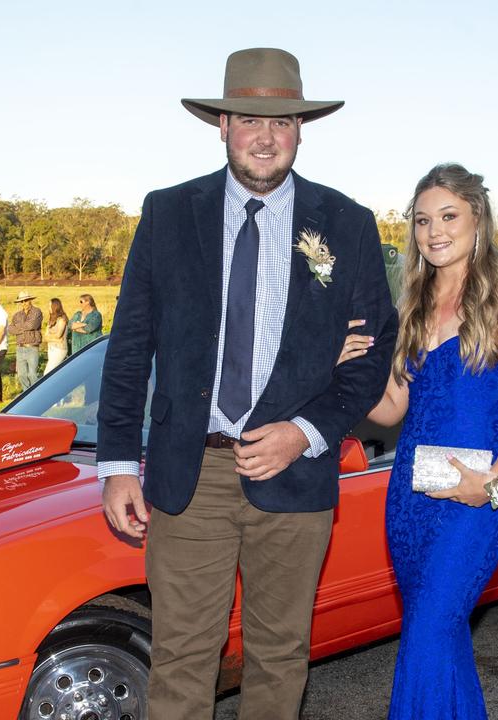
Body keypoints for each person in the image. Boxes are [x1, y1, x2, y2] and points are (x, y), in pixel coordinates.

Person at [96, 48, 397, 720]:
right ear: (223, 124)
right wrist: (117, 463)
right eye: (250, 120)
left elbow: (371, 354)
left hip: (295, 477)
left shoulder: (345, 223)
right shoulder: (169, 213)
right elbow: (128, 348)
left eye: (282, 122)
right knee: (181, 658)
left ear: (300, 130)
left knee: (279, 653)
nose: (266, 136)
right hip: (188, 474)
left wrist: (305, 432)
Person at [355, 164, 498, 719]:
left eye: (447, 216)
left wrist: (492, 485)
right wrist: (346, 374)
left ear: (477, 219)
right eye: (421, 221)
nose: (434, 231)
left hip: (477, 500)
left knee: (429, 632)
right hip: (410, 501)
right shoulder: (410, 306)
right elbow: (392, 408)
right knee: (439, 637)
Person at [7, 291, 44, 391]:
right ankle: (26, 393)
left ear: (30, 300)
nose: (24, 303)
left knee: (32, 374)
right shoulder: (17, 315)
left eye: (26, 300)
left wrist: (18, 327)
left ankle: (36, 393)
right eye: (22, 301)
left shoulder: (37, 312)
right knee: (21, 375)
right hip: (20, 347)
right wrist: (24, 327)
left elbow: (32, 325)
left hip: (32, 347)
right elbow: (10, 329)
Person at [44, 297, 69, 374]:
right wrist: (55, 339)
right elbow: (45, 337)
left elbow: (59, 335)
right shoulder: (51, 320)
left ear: (55, 306)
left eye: (50, 305)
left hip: (60, 349)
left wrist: (50, 337)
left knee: (47, 373)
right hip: (51, 348)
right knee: (55, 373)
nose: (48, 308)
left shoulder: (62, 319)